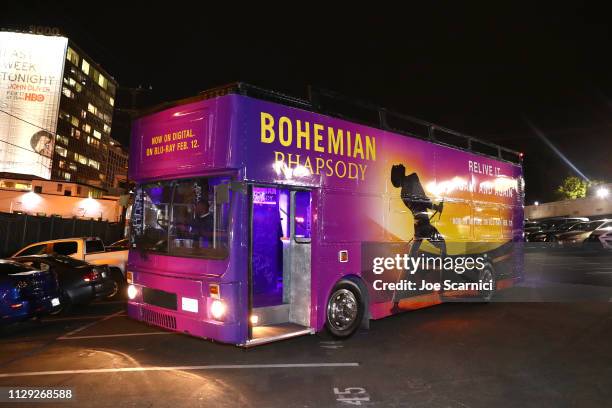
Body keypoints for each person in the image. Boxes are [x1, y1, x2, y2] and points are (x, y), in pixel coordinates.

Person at [390, 164, 446, 312]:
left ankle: (396, 299)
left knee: (409, 263)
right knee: (443, 247)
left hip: (418, 227)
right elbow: (423, 200)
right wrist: (436, 207)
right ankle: (441, 287)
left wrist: (433, 206)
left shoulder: (402, 193)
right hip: (425, 226)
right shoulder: (412, 178)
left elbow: (420, 202)